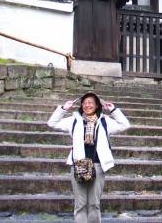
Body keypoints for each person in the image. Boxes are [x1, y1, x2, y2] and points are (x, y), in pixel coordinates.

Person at [48, 92, 130, 223]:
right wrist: (63, 109)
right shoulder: (74, 120)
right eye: (85, 103)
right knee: (80, 204)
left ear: (97, 105)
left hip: (98, 165)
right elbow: (52, 123)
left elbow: (125, 125)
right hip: (79, 164)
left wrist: (113, 110)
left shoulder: (105, 121)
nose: (87, 105)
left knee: (94, 203)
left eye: (91, 102)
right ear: (81, 105)